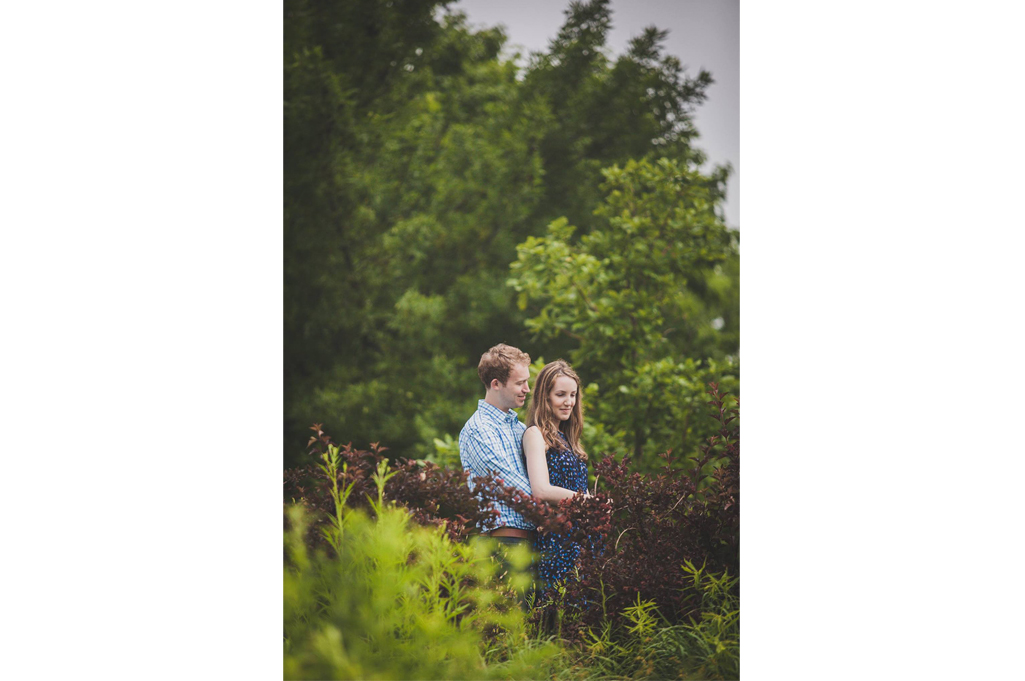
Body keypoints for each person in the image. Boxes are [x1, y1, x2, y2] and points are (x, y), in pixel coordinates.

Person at [522, 360, 591, 593]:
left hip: (581, 536)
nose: (568, 402)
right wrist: (588, 501)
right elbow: (541, 490)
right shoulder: (535, 434)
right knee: (558, 611)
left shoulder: (569, 440)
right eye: (560, 394)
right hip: (557, 538)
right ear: (545, 396)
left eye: (573, 395)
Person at [458, 343, 535, 549]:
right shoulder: (478, 429)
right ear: (496, 384)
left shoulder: (520, 428)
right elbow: (508, 484)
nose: (527, 389)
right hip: (502, 542)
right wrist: (560, 508)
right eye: (520, 383)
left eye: (527, 382)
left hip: (532, 540)